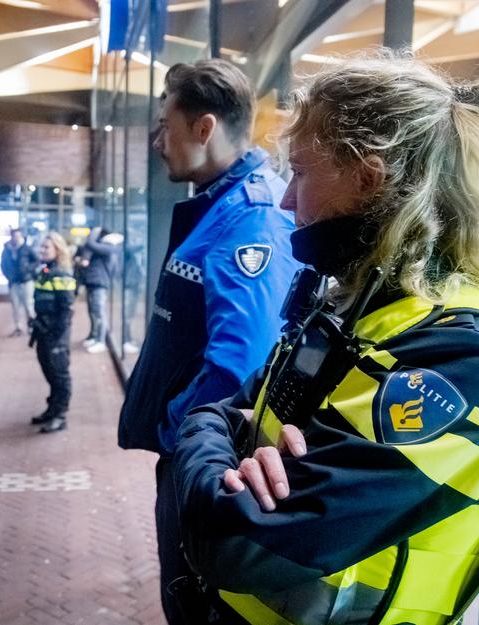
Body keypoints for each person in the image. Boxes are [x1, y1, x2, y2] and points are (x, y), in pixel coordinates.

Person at [173, 52, 479, 625]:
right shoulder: (354, 303)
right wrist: (220, 445)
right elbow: (218, 412)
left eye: (299, 173)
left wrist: (210, 455)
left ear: (367, 178)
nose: (284, 200)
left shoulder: (467, 358)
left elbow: (237, 541)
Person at [116, 59, 300, 624]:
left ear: (204, 127)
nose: (157, 141)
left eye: (164, 124)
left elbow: (238, 361)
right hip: (193, 449)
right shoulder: (218, 207)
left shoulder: (249, 218)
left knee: (189, 599)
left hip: (197, 456)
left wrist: (179, 433)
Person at [29, 233, 76, 433]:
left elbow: (67, 310)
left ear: (58, 250)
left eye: (46, 248)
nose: (42, 250)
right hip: (43, 332)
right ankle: (52, 409)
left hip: (55, 336)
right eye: (41, 247)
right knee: (49, 373)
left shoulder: (62, 275)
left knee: (60, 375)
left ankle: (59, 416)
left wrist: (56, 335)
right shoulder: (45, 271)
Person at [76, 227, 120, 354]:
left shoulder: (109, 248)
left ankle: (101, 341)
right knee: (93, 312)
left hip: (100, 284)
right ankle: (95, 337)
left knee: (99, 313)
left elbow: (90, 244)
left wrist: (93, 233)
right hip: (93, 283)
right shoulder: (102, 248)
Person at [0, 228, 38, 337]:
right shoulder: (7, 249)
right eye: (14, 236)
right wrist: (8, 275)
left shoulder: (27, 249)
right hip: (14, 282)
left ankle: (31, 327)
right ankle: (18, 328)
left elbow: (36, 260)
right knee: (15, 306)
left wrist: (28, 270)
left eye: (18, 236)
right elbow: (3, 264)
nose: (16, 238)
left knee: (28, 305)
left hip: (26, 281)